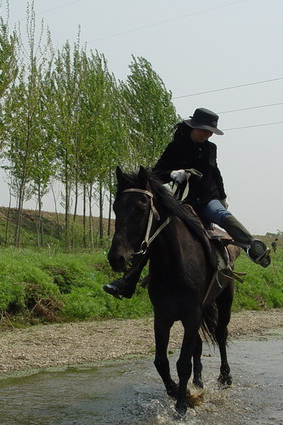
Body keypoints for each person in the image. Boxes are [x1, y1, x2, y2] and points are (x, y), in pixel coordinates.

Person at [103, 107, 270, 299]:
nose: (207, 135)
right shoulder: (175, 147)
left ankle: (252, 247)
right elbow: (155, 175)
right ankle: (126, 282)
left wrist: (222, 196)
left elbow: (215, 173)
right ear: (193, 127)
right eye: (204, 130)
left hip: (208, 199)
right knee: (156, 235)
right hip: (182, 202)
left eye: (210, 132)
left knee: (222, 215)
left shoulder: (210, 148)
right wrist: (174, 174)